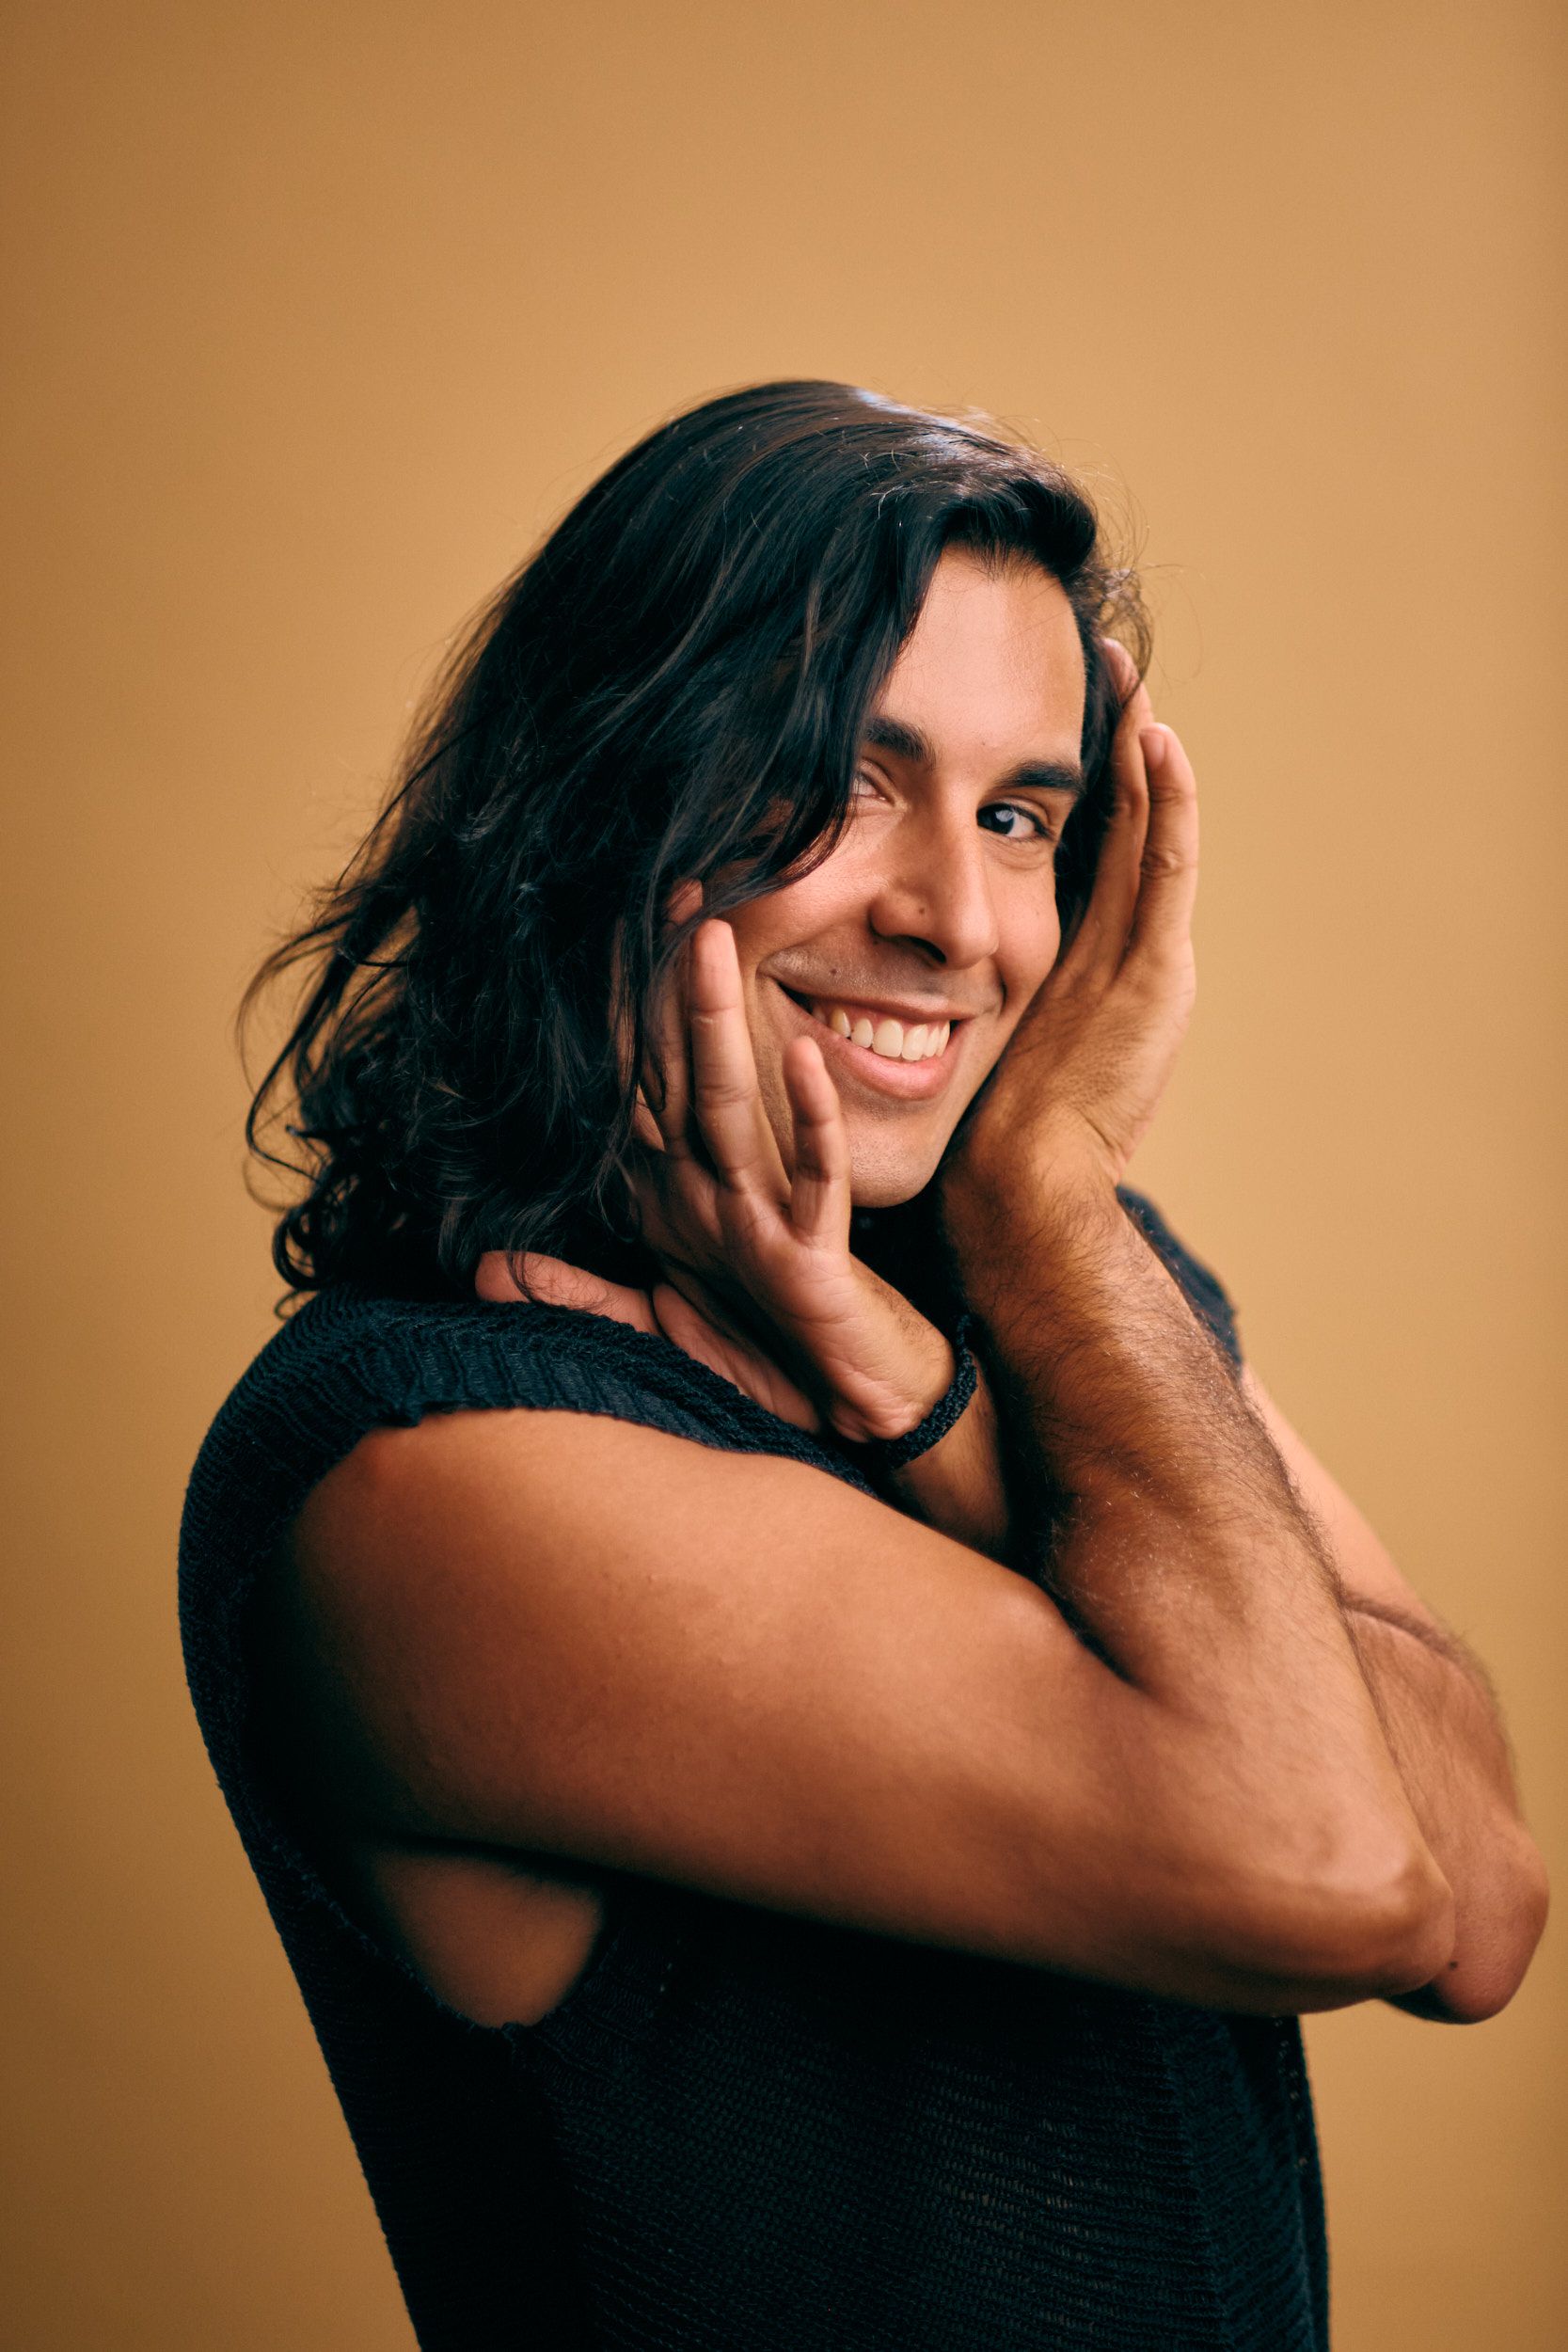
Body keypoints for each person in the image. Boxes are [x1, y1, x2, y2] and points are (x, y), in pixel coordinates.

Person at [181, 380, 1547, 2351]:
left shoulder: (1019, 1310)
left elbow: (1479, 1893)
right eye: (836, 774)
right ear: (598, 793)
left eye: (1019, 818)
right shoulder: (437, 1468)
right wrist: (1057, 1210)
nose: (953, 919)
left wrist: (937, 1384)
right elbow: (1336, 1865)